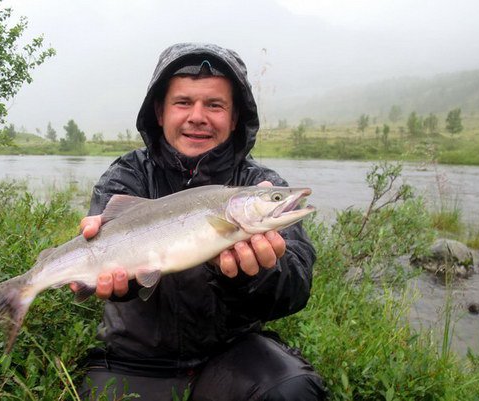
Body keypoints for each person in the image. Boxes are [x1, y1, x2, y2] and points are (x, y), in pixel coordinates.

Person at [74, 43, 326, 401]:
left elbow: (296, 287)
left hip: (230, 356)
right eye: (183, 103)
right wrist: (122, 282)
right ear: (159, 112)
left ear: (235, 117)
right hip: (133, 359)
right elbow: (106, 252)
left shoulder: (260, 184)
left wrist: (255, 275)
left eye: (214, 105)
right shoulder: (126, 174)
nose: (197, 116)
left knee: (291, 391)